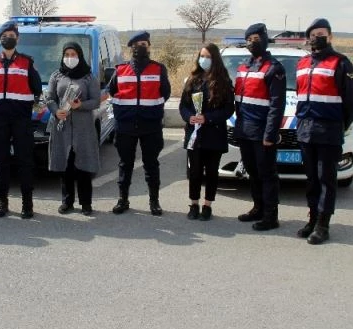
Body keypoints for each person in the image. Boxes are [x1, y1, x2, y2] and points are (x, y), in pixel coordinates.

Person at [295, 18, 353, 244]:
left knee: (326, 179)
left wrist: (338, 126)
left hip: (329, 131)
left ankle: (323, 224)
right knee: (311, 179)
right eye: (313, 34)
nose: (317, 37)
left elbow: (351, 103)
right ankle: (312, 219)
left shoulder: (341, 63)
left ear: (330, 36)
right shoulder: (302, 64)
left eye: (321, 33)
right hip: (305, 131)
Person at [0, 20, 43, 219]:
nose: (9, 38)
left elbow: (37, 89)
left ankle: (27, 204)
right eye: (5, 35)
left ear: (18, 38)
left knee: (25, 162)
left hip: (21, 120)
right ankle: (2, 202)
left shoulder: (26, 62)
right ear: (0, 39)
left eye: (13, 35)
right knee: (0, 163)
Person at [108, 30, 171, 216]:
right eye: (136, 45)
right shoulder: (120, 70)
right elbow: (113, 91)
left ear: (149, 47)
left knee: (151, 164)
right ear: (131, 49)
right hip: (126, 125)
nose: (140, 48)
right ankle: (123, 200)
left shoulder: (159, 69)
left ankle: (154, 202)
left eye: (144, 44)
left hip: (150, 125)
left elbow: (165, 92)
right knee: (124, 164)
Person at [234, 23, 286, 231]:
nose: (252, 43)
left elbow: (277, 105)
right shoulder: (242, 67)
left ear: (264, 39)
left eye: (256, 39)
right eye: (249, 39)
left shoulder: (274, 68)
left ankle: (271, 216)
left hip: (262, 133)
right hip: (244, 130)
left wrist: (270, 134)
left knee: (267, 174)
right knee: (253, 173)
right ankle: (258, 207)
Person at [179, 43, 234, 221]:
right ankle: (193, 204)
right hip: (194, 135)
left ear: (215, 59)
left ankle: (207, 205)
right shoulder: (192, 80)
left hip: (214, 135)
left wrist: (208, 118)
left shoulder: (223, 81)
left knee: (211, 173)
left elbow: (228, 109)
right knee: (194, 172)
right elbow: (183, 106)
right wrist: (189, 117)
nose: (204, 60)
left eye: (208, 57)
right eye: (202, 56)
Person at [46, 42, 100, 216]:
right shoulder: (56, 75)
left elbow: (96, 101)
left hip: (83, 129)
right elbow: (50, 97)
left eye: (73, 54)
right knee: (66, 166)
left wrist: (81, 105)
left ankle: (86, 203)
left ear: (80, 56)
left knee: (83, 166)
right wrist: (56, 111)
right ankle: (67, 202)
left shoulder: (88, 77)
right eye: (67, 54)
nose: (70, 57)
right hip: (62, 127)